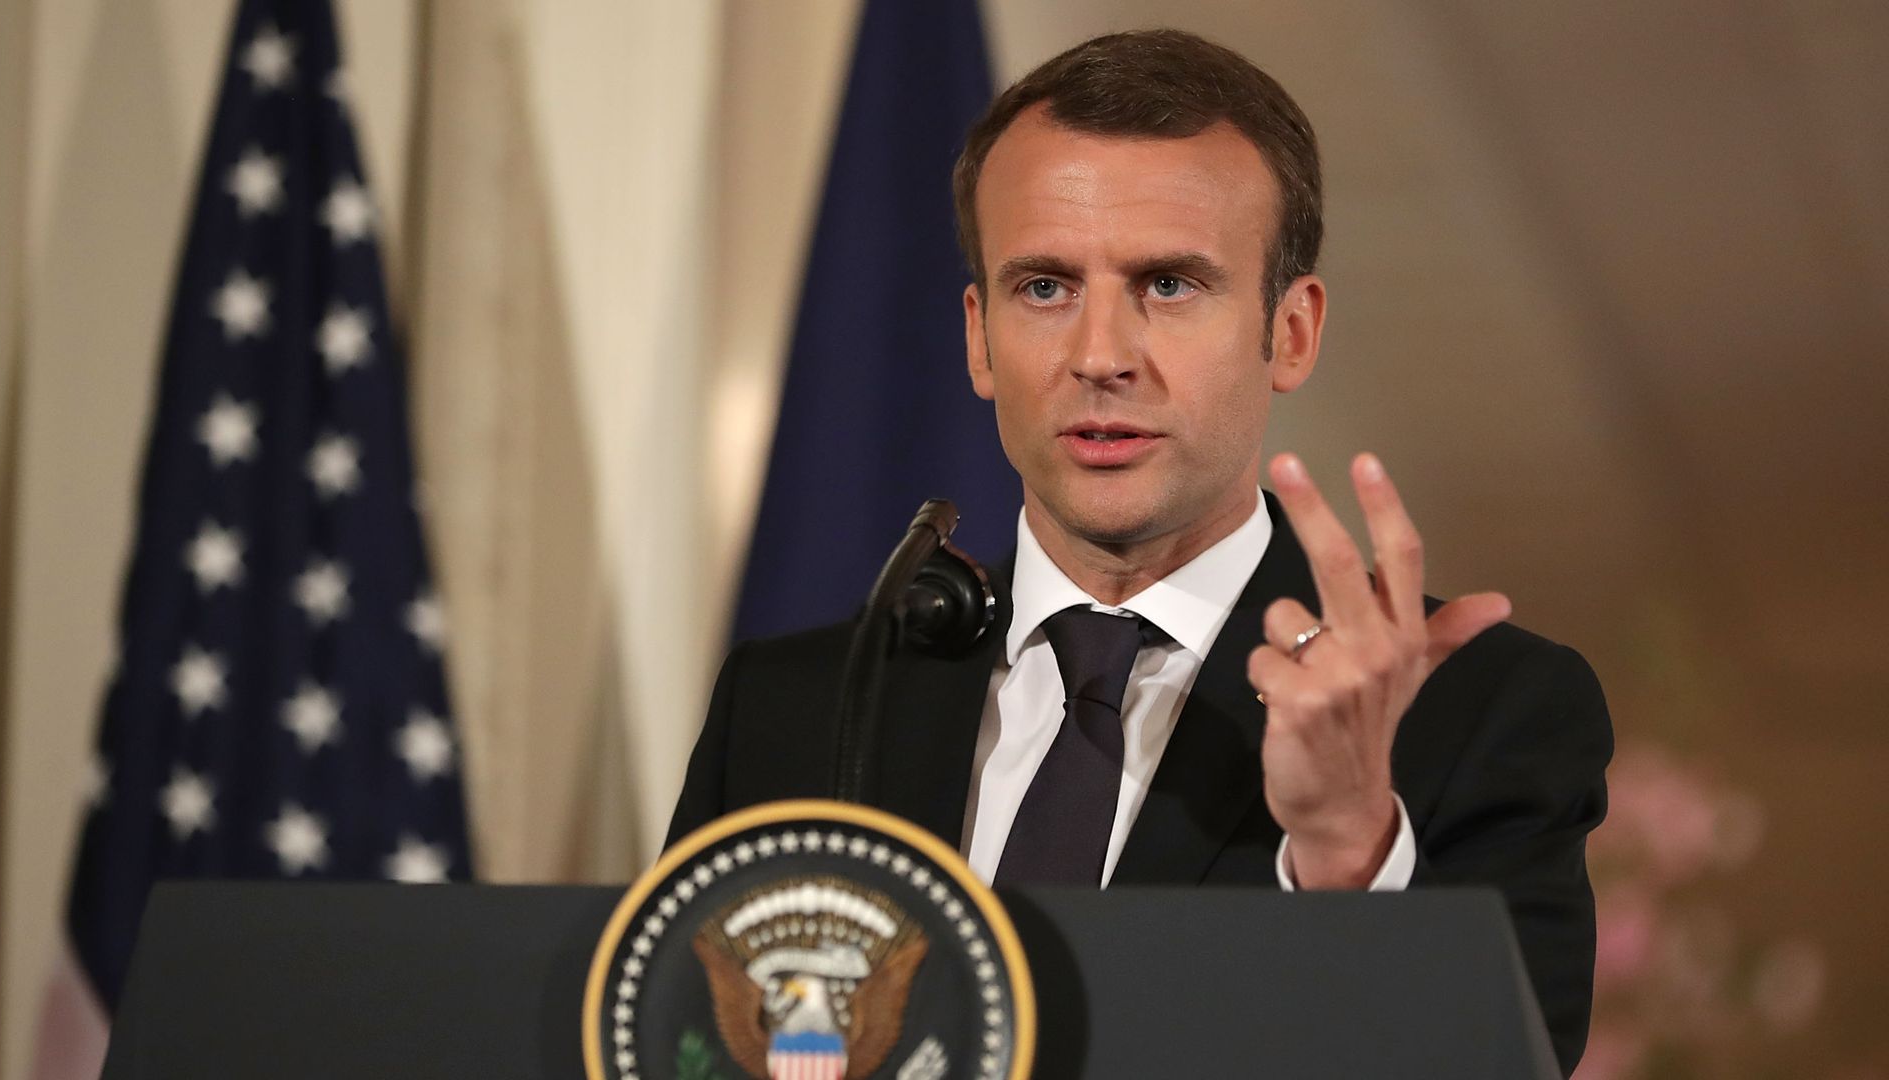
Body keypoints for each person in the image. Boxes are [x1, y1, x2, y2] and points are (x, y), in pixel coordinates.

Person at [668, 28, 1611, 1074]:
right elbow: (677, 1040)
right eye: (1044, 288)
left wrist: (1348, 854)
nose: (1101, 356)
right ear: (979, 339)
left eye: (1168, 285)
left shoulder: (1476, 716)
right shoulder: (798, 708)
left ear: (1290, 332)